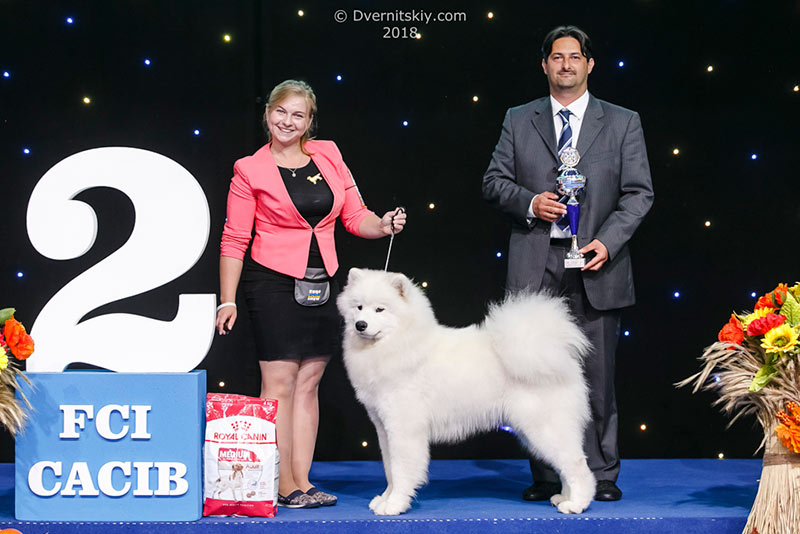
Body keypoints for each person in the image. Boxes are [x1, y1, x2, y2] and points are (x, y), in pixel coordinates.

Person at [481, 26, 654, 502]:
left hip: (596, 264)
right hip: (535, 264)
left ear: (589, 64)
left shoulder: (622, 121)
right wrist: (530, 202)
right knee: (533, 374)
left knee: (597, 376)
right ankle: (546, 475)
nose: (566, 65)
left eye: (574, 57)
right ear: (545, 65)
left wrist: (608, 242)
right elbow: (493, 182)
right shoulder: (520, 118)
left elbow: (639, 194)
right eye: (557, 57)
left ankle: (600, 474)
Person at [216, 79, 407, 509]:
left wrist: (382, 225)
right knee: (280, 382)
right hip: (272, 282)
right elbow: (234, 238)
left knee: (309, 382)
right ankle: (280, 482)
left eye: (298, 115)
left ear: (309, 122)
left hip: (324, 280)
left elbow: (355, 216)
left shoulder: (329, 154)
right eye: (280, 112)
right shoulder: (249, 169)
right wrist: (227, 299)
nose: (287, 121)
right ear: (268, 114)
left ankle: (301, 481)